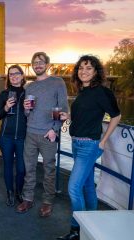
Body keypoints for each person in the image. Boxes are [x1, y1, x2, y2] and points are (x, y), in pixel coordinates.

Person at [57, 55, 121, 240]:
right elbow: (85, 116)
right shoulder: (82, 92)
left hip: (90, 145)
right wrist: (67, 117)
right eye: (81, 68)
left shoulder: (102, 92)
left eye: (89, 68)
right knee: (87, 187)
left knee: (73, 188)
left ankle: (76, 230)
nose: (84, 71)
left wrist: (104, 140)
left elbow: (116, 116)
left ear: (96, 72)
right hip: (77, 144)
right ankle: (92, 226)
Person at [16, 52, 68, 217]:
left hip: (48, 134)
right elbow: (26, 113)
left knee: (49, 169)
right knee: (29, 168)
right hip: (30, 133)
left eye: (41, 62)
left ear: (47, 64)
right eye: (35, 62)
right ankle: (28, 198)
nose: (37, 65)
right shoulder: (29, 87)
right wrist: (25, 107)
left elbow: (63, 108)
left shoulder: (57, 82)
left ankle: (47, 201)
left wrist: (55, 129)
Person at [0, 65, 27, 207]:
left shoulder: (28, 94)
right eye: (11, 74)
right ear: (9, 77)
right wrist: (6, 107)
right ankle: (9, 192)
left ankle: (18, 192)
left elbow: (32, 115)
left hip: (22, 137)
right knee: (8, 165)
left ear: (22, 75)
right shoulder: (3, 94)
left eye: (16, 73)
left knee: (21, 168)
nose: (14, 76)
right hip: (6, 137)